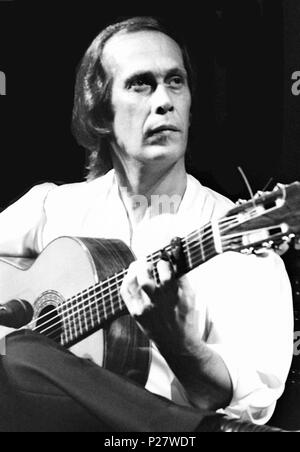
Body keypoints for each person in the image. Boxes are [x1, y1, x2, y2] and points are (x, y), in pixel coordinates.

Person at [0, 16, 294, 432]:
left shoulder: (237, 236)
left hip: (169, 439)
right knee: (22, 354)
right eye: (141, 84)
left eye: (175, 82)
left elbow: (243, 404)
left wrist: (178, 342)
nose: (164, 100)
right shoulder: (52, 207)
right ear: (99, 112)